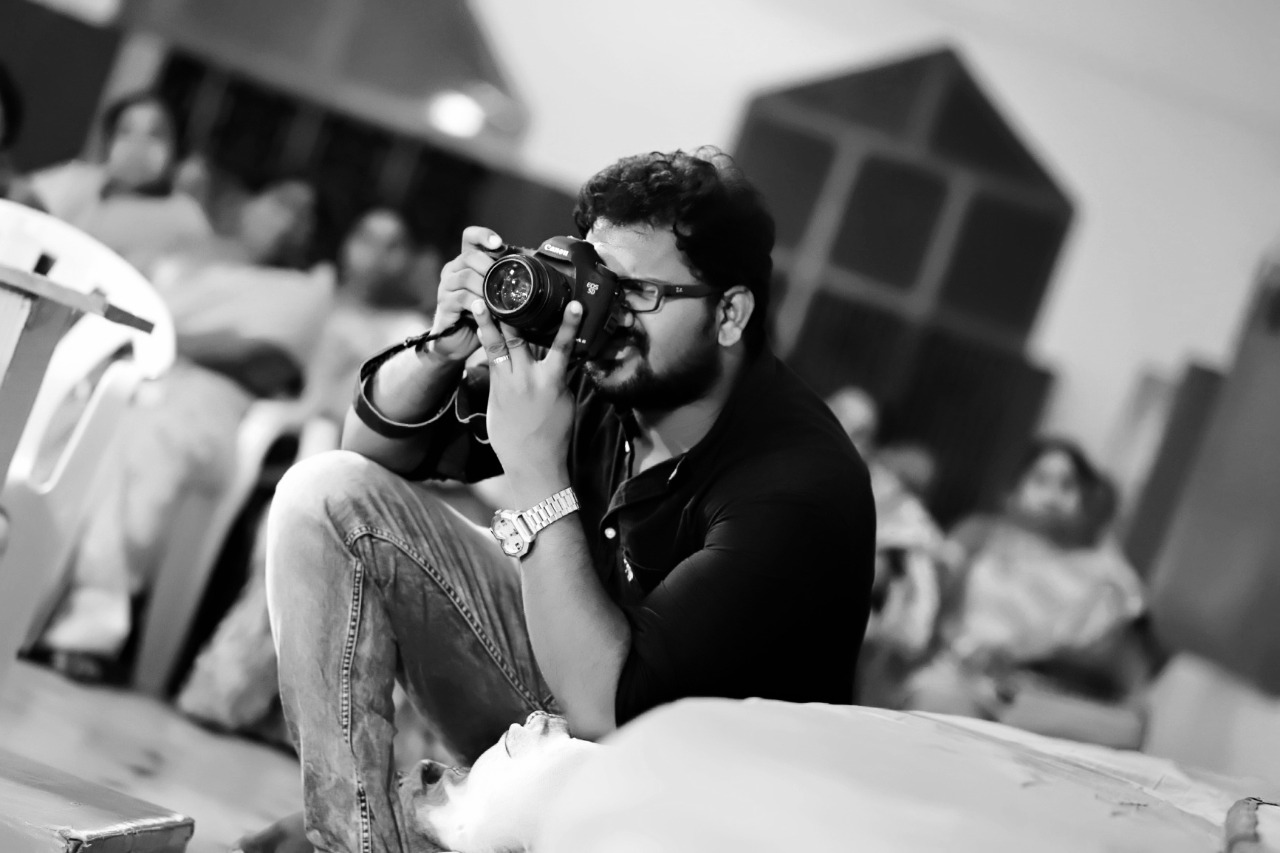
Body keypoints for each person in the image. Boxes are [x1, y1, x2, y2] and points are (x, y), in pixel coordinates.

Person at [253, 147, 875, 852]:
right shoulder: (604, 369)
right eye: (600, 279)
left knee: (524, 789)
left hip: (692, 804)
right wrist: (446, 345)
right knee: (324, 493)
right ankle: (355, 841)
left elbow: (610, 710)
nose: (606, 313)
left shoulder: (797, 485)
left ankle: (429, 816)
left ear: (729, 313)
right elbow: (370, 450)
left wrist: (536, 471)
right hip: (569, 712)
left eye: (638, 292)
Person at [35, 180, 332, 680]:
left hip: (210, 400)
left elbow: (261, 358)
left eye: (306, 216)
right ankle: (28, 589)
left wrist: (159, 333)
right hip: (127, 371)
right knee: (62, 412)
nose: (288, 222)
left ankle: (91, 623)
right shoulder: (189, 255)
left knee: (151, 436)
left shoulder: (306, 290)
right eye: (280, 203)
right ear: (248, 204)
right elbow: (114, 304)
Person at [174, 208, 430, 737]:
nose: (376, 256)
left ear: (407, 260)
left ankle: (270, 702)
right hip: (281, 440)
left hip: (350, 456)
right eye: (366, 238)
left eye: (393, 246)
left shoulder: (413, 332)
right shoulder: (310, 298)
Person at [902, 437, 1150, 746]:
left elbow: (1111, 647)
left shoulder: (1102, 567)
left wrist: (1021, 654)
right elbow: (928, 589)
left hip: (1044, 696)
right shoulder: (980, 533)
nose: (1052, 495)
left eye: (1067, 485)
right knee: (937, 696)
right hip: (964, 676)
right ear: (1016, 486)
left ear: (1084, 497)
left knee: (1124, 728)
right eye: (1040, 480)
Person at [28, 90, 211, 273]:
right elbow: (22, 200)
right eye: (126, 131)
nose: (138, 145)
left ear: (176, 148)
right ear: (109, 141)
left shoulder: (184, 217)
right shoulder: (75, 179)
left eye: (154, 134)